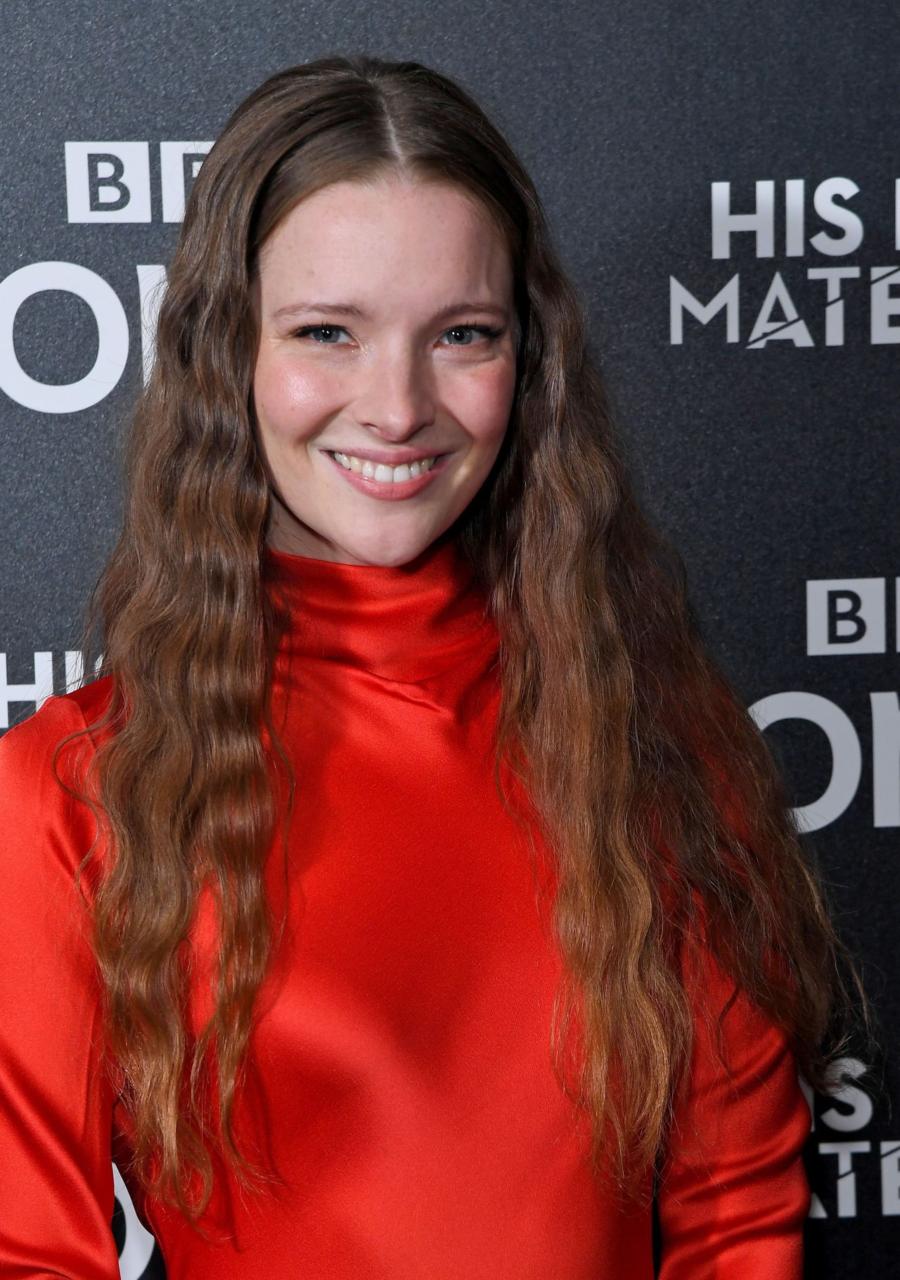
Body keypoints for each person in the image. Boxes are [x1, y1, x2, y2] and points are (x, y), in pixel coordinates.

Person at [0, 55, 869, 1278]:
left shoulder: (651, 745)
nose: (398, 406)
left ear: (530, 359)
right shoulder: (70, 795)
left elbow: (736, 1215)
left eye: (463, 334)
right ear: (225, 351)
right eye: (328, 332)